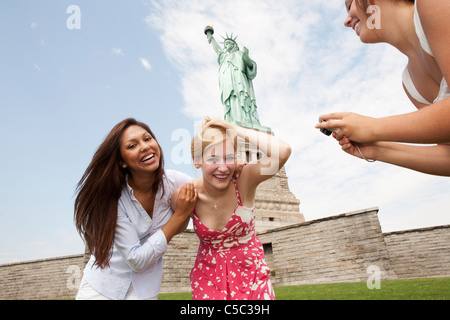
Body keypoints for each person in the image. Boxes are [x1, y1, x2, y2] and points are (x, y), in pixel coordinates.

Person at [315, 0, 450, 176]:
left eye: (350, 6)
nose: (346, 21)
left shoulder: (433, 4)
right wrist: (376, 148)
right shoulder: (410, 84)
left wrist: (373, 128)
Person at [74, 118, 197, 300]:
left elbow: (211, 189)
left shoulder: (173, 181)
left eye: (148, 139)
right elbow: (136, 259)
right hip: (102, 291)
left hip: (145, 292)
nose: (145, 146)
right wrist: (180, 216)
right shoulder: (114, 199)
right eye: (132, 146)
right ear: (122, 162)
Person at [172, 118, 291, 300]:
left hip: (252, 276)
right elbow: (174, 228)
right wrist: (181, 212)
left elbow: (283, 151)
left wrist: (232, 128)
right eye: (213, 158)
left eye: (229, 157)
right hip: (208, 280)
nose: (223, 167)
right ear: (197, 160)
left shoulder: (245, 180)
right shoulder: (187, 195)